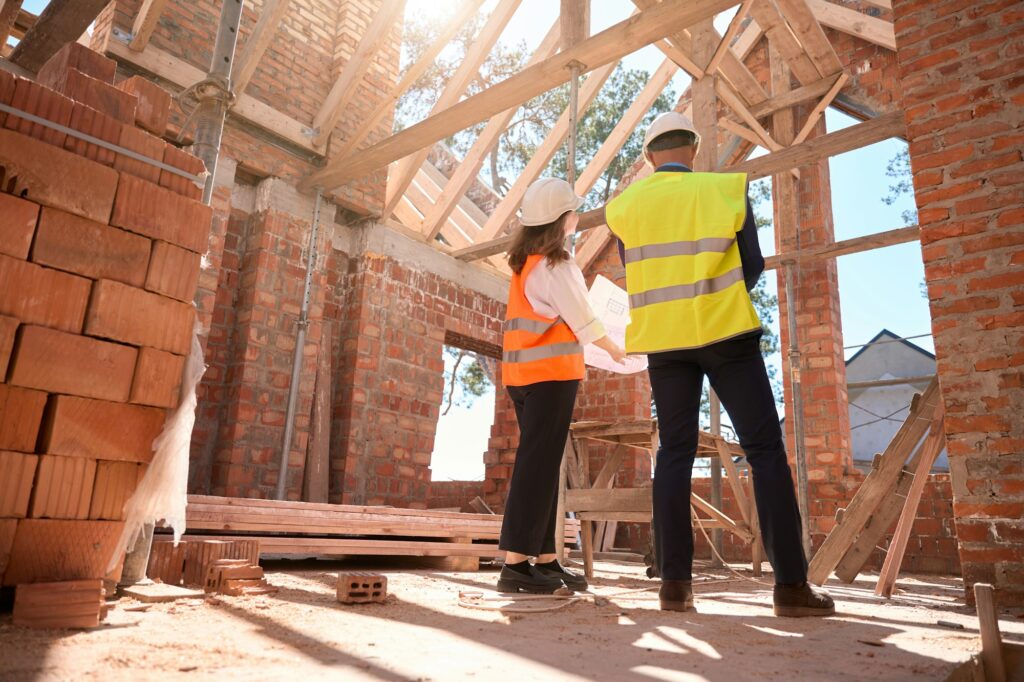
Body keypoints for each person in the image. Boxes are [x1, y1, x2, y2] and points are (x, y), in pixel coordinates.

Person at [604, 112, 834, 617]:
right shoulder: (725, 190)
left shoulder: (624, 208)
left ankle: (674, 585)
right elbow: (751, 264)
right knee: (764, 450)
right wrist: (713, 298)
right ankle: (791, 589)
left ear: (648, 157)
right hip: (726, 332)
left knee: (674, 454)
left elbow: (635, 270)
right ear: (693, 149)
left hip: (665, 344)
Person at [497, 177, 627, 594]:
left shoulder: (527, 265)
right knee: (536, 466)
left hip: (523, 378)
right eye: (574, 211)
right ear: (563, 219)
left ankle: (547, 560)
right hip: (551, 376)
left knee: (543, 463)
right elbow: (585, 320)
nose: (577, 217)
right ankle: (515, 565)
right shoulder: (558, 264)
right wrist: (621, 351)